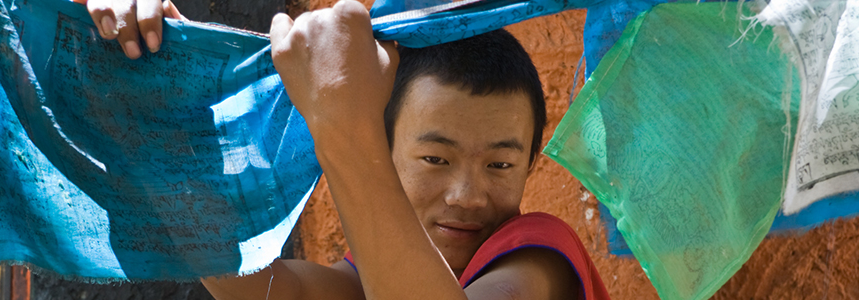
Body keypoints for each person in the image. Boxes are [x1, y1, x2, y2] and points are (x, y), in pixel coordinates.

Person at [78, 0, 610, 299]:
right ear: (386, 145)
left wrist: (340, 121)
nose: (467, 194)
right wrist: (149, 104)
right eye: (435, 158)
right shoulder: (370, 279)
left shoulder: (541, 259)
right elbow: (263, 293)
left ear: (531, 165)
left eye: (500, 164)